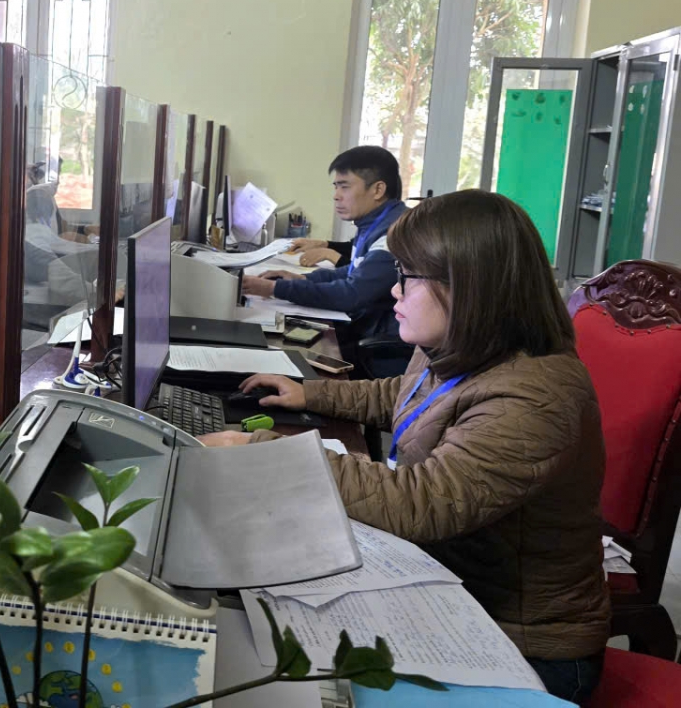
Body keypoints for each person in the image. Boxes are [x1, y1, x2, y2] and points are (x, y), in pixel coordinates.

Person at [201, 190, 610, 703]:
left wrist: (261, 452)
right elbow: (409, 393)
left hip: (523, 643)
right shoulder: (461, 345)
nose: (394, 291)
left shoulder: (535, 397)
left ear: (469, 286)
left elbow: (421, 503)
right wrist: (311, 393)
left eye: (408, 277)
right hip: (450, 586)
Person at [241, 146, 407, 339]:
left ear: (378, 190)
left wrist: (273, 289)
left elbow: (352, 293)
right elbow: (352, 271)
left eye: (344, 187)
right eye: (336, 186)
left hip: (374, 336)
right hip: (365, 324)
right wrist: (302, 279)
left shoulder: (396, 234)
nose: (336, 195)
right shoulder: (375, 222)